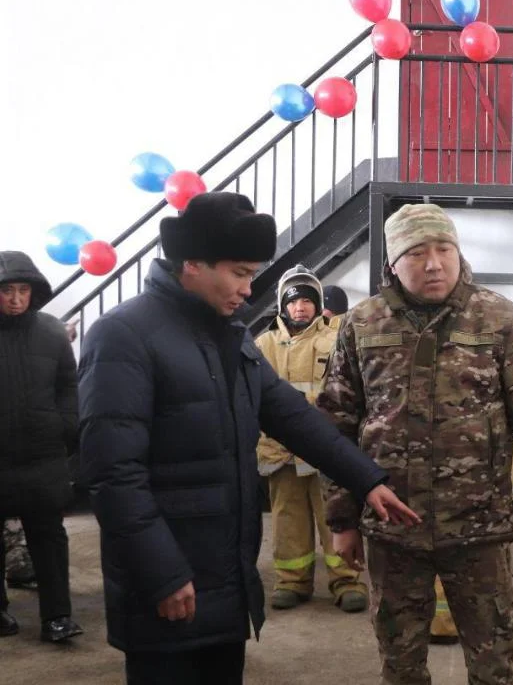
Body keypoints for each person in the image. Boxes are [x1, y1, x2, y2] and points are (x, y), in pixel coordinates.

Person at [78, 193, 419, 685]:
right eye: (239, 273)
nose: (248, 287)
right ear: (192, 264)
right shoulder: (123, 336)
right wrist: (161, 574)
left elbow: (292, 417)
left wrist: (366, 479)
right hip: (167, 577)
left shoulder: (229, 334)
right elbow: (113, 475)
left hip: (225, 574)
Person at [318, 203, 513, 685]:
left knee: (493, 665)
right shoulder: (362, 324)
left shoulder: (500, 319)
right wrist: (342, 519)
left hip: (478, 528)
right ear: (393, 263)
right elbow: (336, 426)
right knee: (400, 666)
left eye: (444, 249)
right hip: (393, 529)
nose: (434, 264)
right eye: (417, 253)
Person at [255, 266, 368, 613]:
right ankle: (292, 582)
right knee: (287, 520)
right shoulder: (263, 345)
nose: (300, 307)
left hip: (324, 450)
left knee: (334, 515)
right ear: (282, 306)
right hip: (279, 452)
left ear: (318, 305)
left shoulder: (335, 341)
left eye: (307, 301)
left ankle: (347, 581)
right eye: (293, 301)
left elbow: (344, 394)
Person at [0, 251, 83, 642]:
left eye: (23, 290)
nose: (16, 299)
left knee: (49, 537)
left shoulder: (51, 332)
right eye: (7, 291)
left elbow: (68, 385)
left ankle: (57, 617)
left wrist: (65, 426)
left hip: (42, 455)